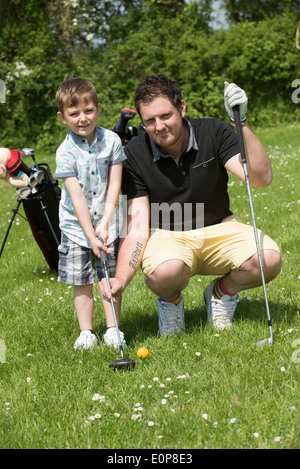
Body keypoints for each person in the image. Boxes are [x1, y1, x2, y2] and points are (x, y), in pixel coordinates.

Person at [99, 74, 281, 336]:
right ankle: (171, 302)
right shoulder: (134, 154)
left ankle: (221, 293)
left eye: (166, 116)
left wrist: (241, 124)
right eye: (149, 121)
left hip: (219, 226)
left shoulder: (213, 131)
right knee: (164, 273)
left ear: (181, 108)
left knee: (269, 259)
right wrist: (121, 280)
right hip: (166, 235)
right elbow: (137, 227)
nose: (159, 126)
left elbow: (261, 179)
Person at [54, 77, 127, 349]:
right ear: (63, 117)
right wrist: (90, 234)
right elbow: (77, 198)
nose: (82, 118)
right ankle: (86, 332)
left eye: (88, 111)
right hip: (76, 228)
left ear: (98, 108)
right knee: (81, 280)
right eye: (74, 114)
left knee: (110, 278)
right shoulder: (65, 152)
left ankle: (112, 329)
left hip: (109, 222)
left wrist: (106, 223)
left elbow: (115, 184)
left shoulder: (112, 141)